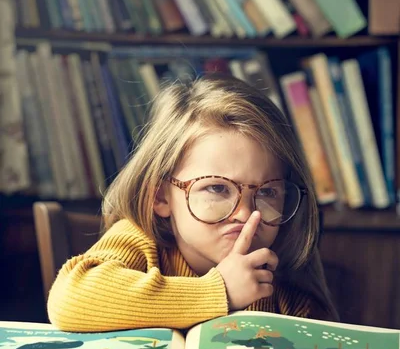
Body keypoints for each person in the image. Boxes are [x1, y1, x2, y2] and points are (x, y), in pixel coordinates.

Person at [48, 75, 339, 332]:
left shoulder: (286, 285)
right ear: (160, 197)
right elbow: (69, 300)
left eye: (267, 193)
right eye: (216, 188)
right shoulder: (140, 241)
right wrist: (218, 292)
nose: (246, 214)